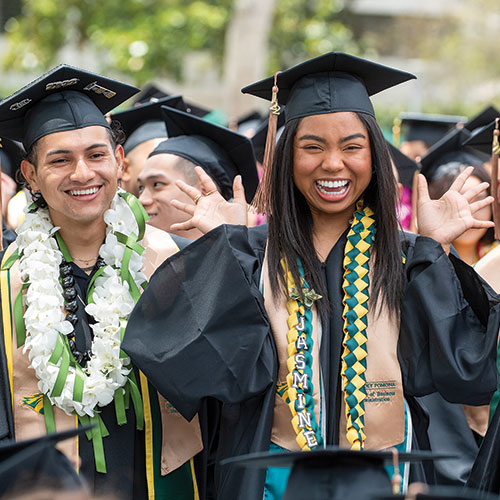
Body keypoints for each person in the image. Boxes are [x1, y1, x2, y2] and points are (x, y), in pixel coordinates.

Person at [123, 52, 500, 500]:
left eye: (352, 146)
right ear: (287, 158)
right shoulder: (252, 254)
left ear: (374, 157)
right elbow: (198, 371)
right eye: (313, 147)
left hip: (389, 478)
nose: (333, 163)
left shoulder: (406, 256)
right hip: (269, 480)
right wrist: (223, 250)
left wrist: (434, 251)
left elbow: (464, 373)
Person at [0, 65, 203, 500]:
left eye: (96, 155)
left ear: (119, 161)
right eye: (59, 160)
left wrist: (231, 248)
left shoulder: (177, 263)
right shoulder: (5, 284)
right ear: (30, 175)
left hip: (158, 481)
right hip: (52, 485)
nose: (82, 173)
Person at [137, 105, 259, 239]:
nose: (142, 200)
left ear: (204, 190)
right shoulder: (133, 257)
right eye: (141, 188)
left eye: (157, 184)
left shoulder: (240, 256)